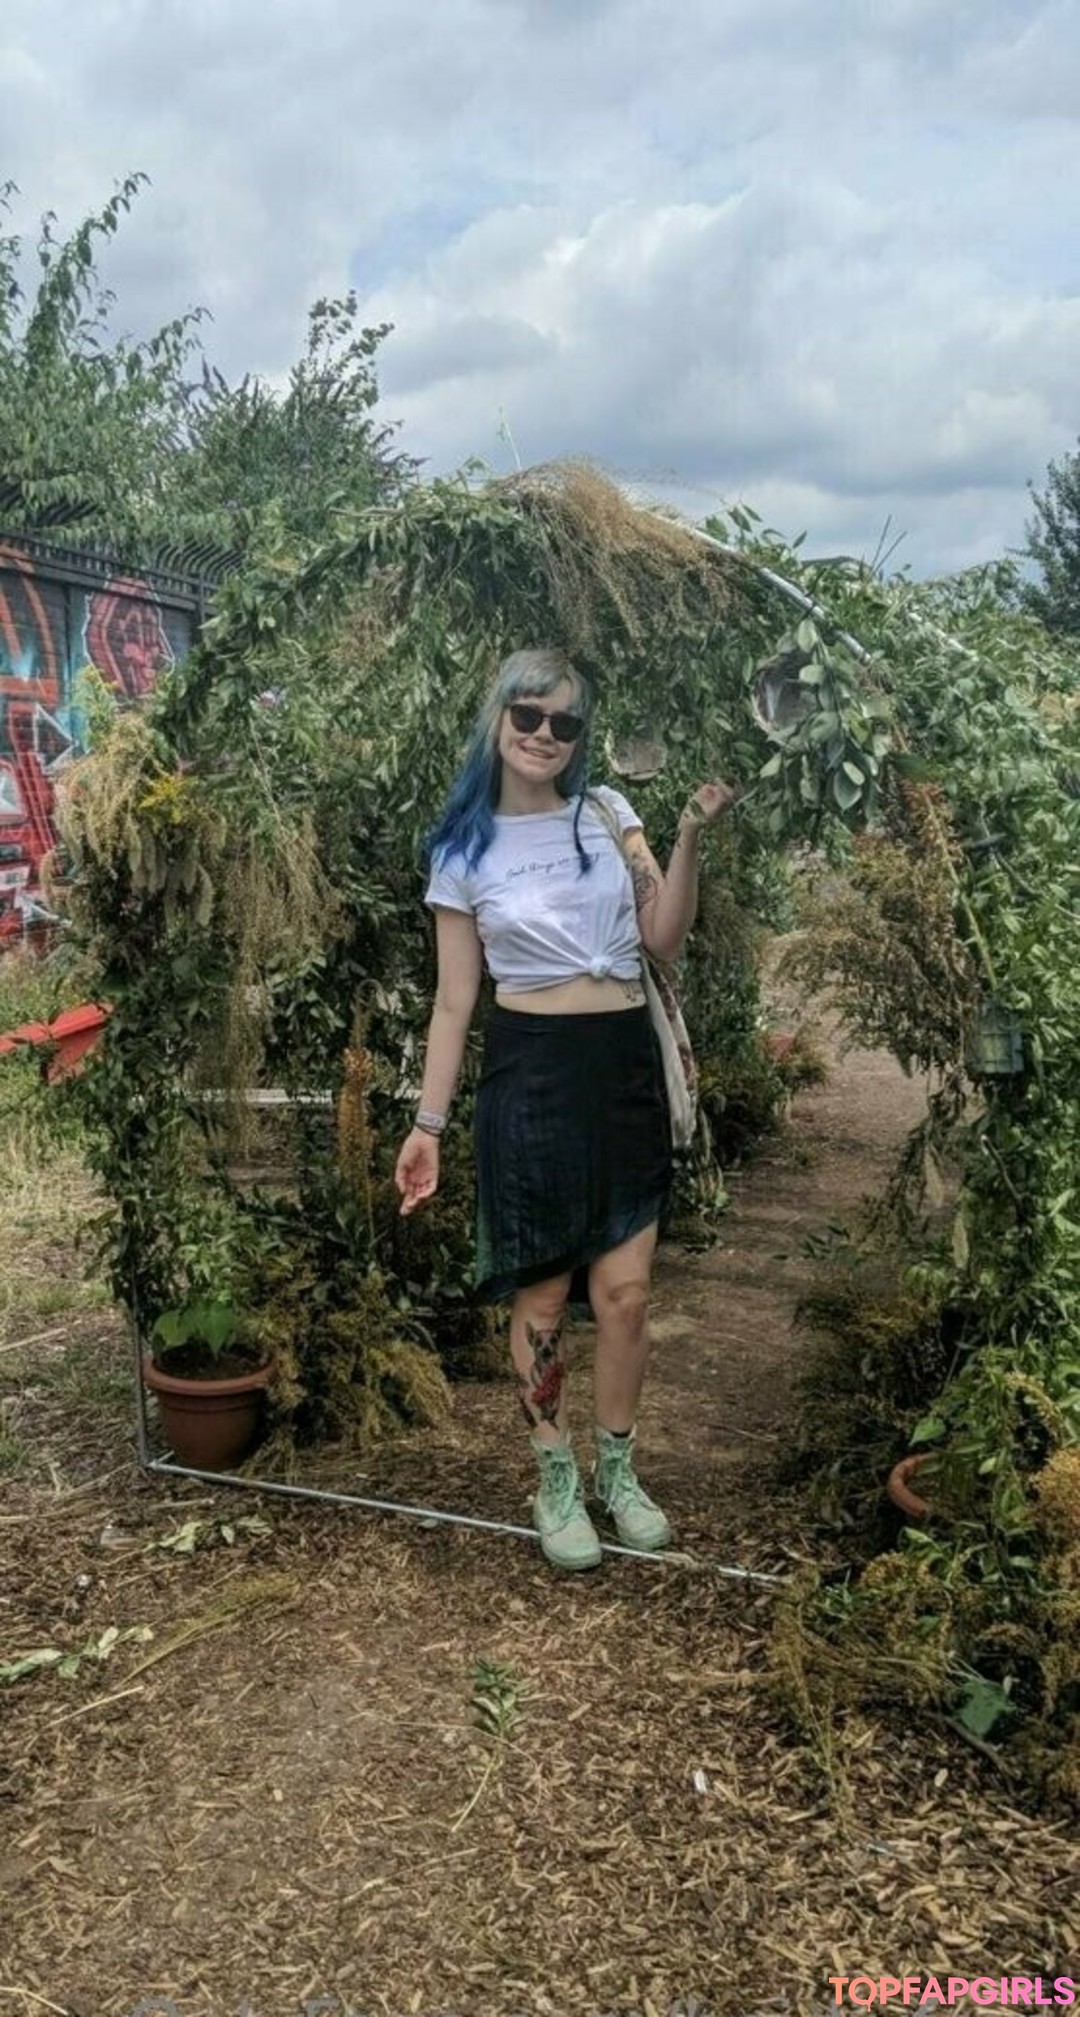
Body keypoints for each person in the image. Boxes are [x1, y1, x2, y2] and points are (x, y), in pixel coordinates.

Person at [394, 647, 734, 1571]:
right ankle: (555, 1476)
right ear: (499, 718)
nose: (545, 734)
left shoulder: (609, 815)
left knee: (626, 1295)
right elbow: (454, 1001)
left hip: (620, 1069)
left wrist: (688, 834)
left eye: (565, 722)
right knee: (542, 1297)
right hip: (531, 1074)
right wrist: (427, 1127)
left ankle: (618, 1471)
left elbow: (663, 938)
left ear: (582, 737)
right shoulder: (463, 848)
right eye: (529, 715)